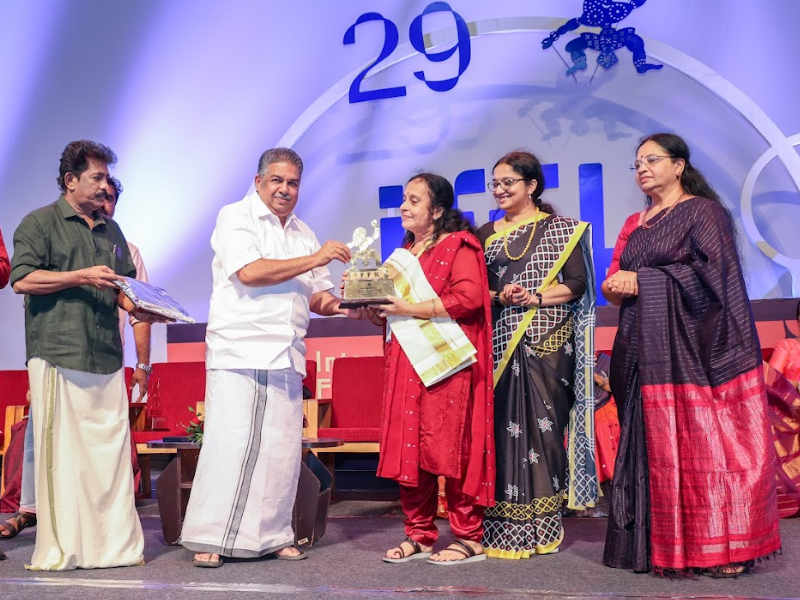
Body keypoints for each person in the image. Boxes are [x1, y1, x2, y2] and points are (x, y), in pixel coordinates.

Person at [602, 132, 781, 576]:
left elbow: (716, 279)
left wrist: (646, 281)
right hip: (642, 348)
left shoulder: (703, 212)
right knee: (648, 447)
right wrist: (619, 286)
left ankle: (719, 547)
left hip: (692, 354)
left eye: (652, 160)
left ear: (679, 165)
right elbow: (623, 279)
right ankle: (656, 545)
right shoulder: (639, 223)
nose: (642, 169)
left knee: (705, 447)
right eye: (637, 163)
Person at [180, 147, 353, 568]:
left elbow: (318, 296)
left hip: (287, 354)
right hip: (240, 350)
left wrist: (352, 307)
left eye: (293, 182)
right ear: (258, 182)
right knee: (230, 444)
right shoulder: (235, 216)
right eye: (276, 180)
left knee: (280, 451)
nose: (284, 189)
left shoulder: (304, 232)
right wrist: (318, 257)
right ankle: (211, 536)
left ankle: (274, 536)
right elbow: (251, 272)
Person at [9, 140, 145, 570]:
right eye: (97, 177)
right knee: (64, 461)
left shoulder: (112, 230)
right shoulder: (40, 222)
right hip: (58, 352)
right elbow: (22, 280)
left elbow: (125, 288)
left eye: (107, 178)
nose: (105, 186)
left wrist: (145, 309)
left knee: (107, 460)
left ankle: (112, 549)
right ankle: (64, 548)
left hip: (107, 355)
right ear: (70, 180)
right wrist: (81, 276)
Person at [366, 173, 495, 565]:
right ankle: (419, 535)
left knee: (450, 446)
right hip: (406, 362)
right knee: (411, 448)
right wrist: (370, 305)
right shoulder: (405, 252)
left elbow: (469, 298)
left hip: (445, 362)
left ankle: (469, 537)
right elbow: (392, 315)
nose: (404, 207)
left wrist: (408, 308)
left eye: (414, 200)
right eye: (404, 199)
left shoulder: (459, 244)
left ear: (437, 210)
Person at [477, 151, 597, 559]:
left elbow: (576, 284)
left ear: (531, 185)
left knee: (545, 432)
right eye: (495, 183)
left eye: (508, 182)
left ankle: (545, 522)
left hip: (547, 341)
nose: (500, 190)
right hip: (499, 341)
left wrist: (536, 297)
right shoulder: (483, 234)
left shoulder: (560, 230)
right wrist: (500, 296)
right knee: (501, 429)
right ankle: (499, 525)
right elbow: (474, 288)